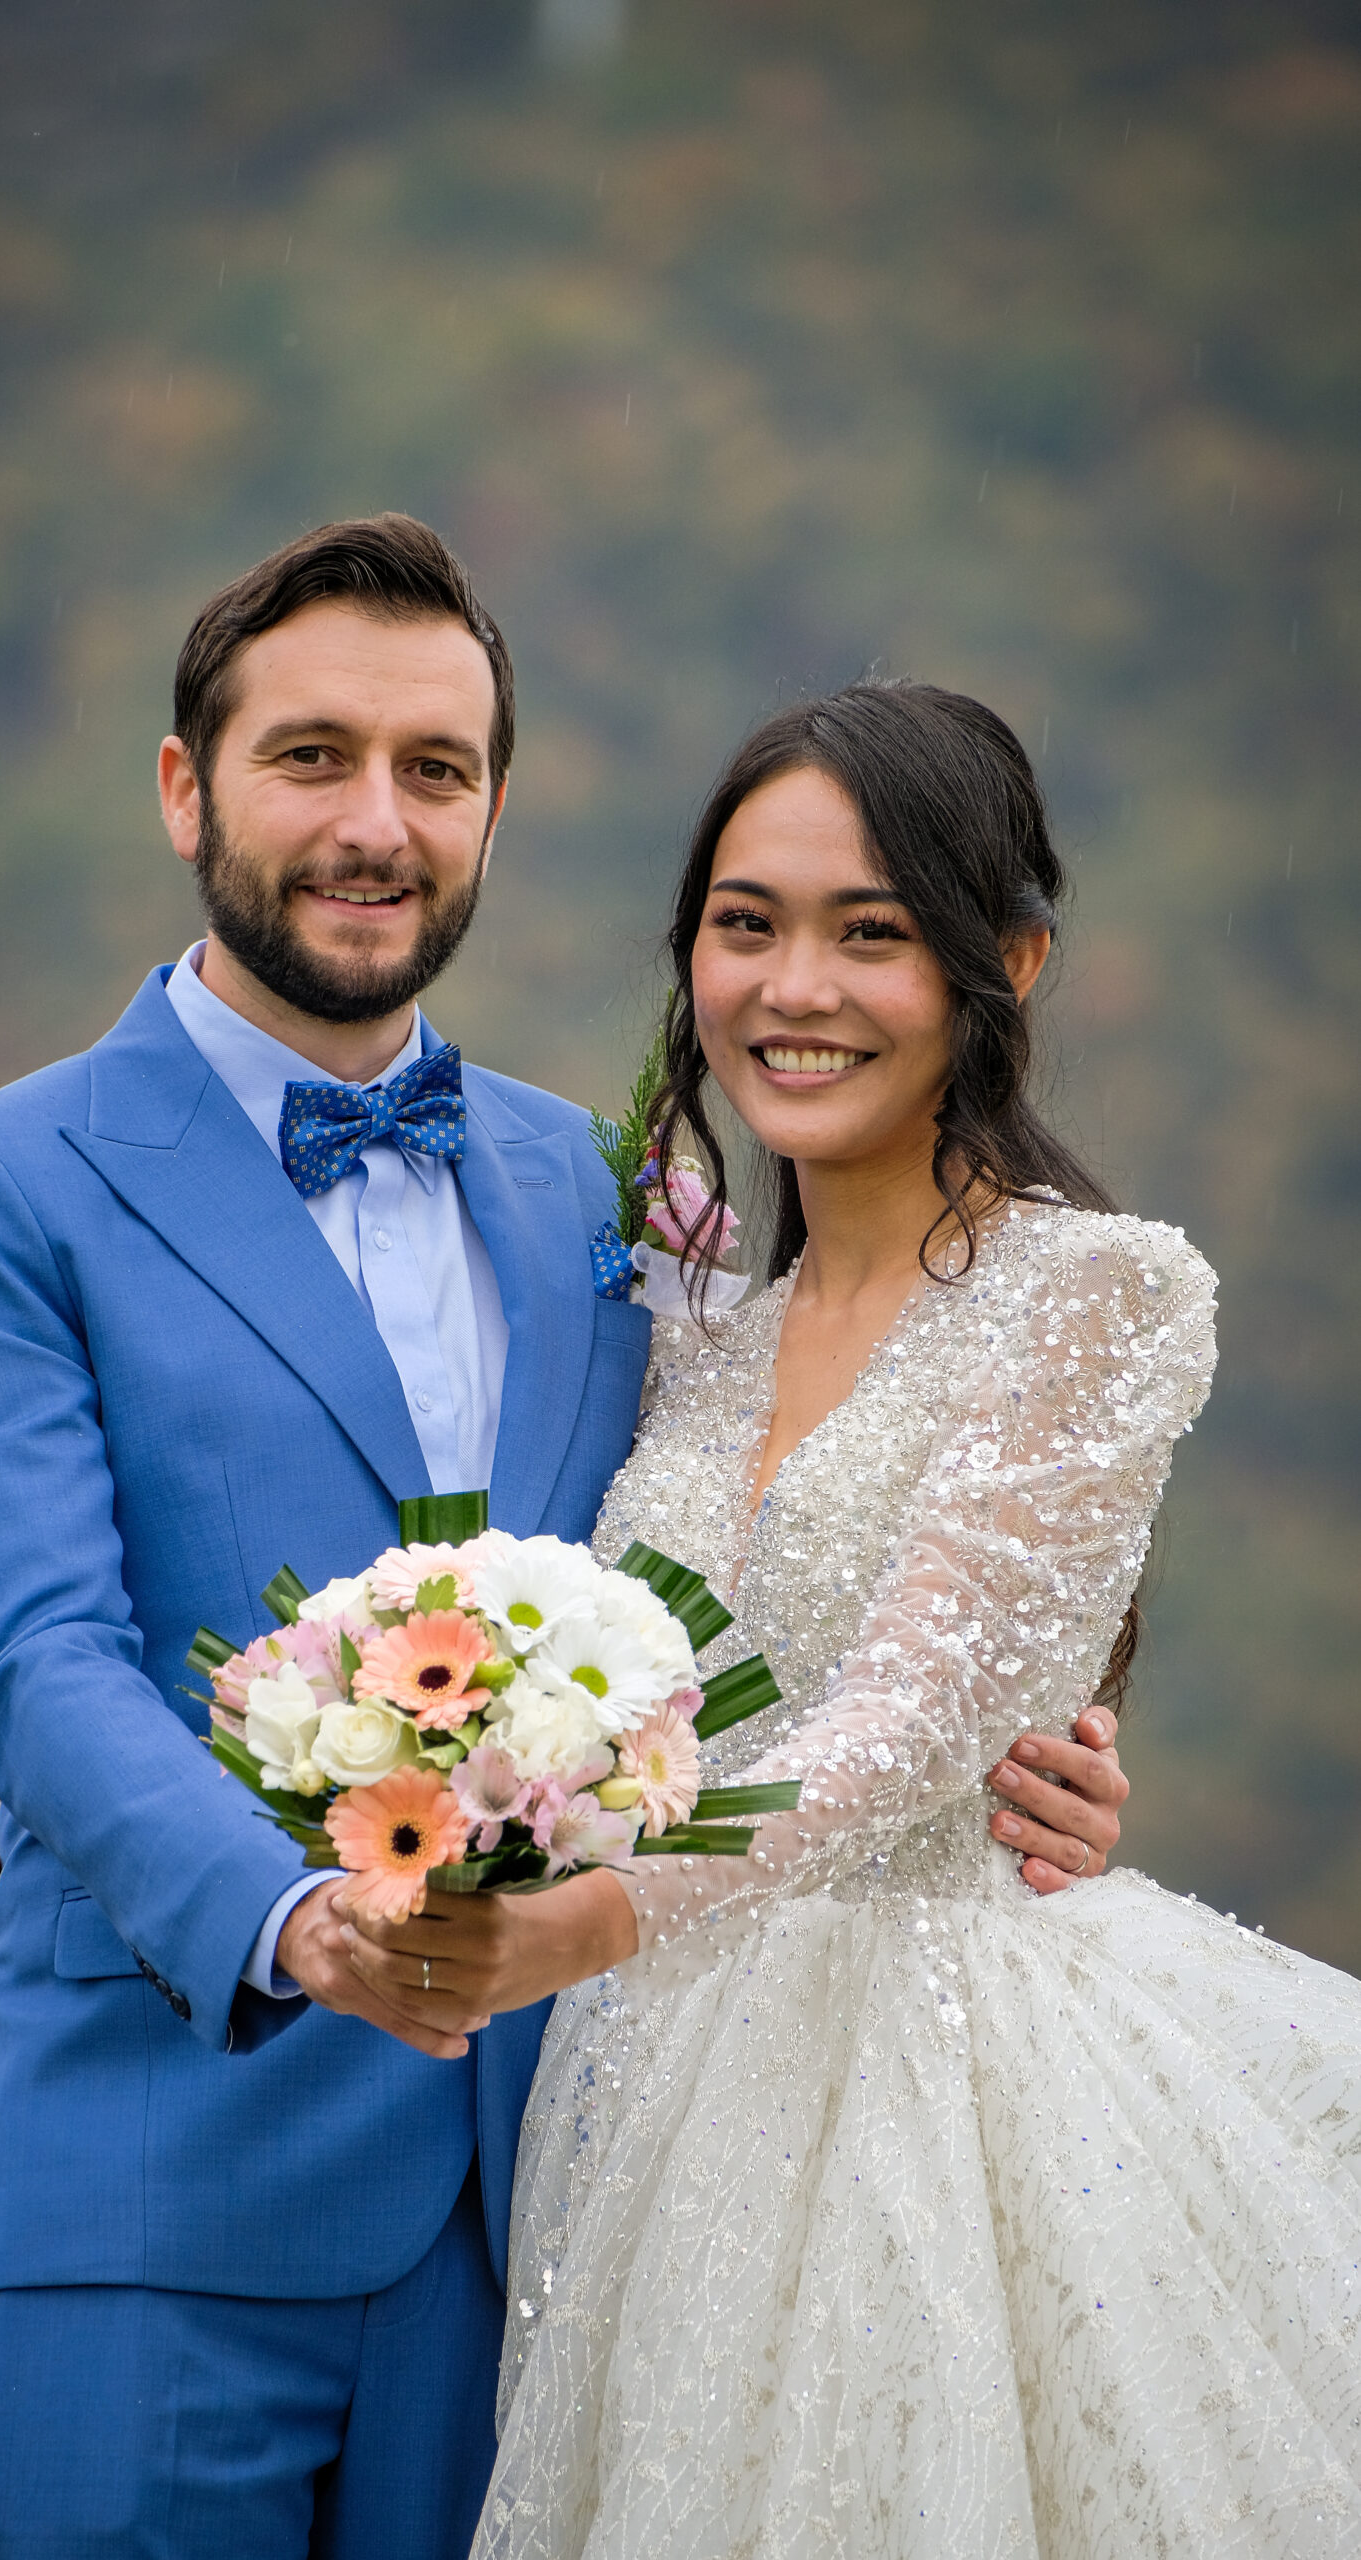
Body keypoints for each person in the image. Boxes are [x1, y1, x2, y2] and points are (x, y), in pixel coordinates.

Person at [0, 517, 1120, 2560]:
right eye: (311, 756)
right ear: (186, 786)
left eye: (433, 771)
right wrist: (267, 1909)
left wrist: (1014, 1754)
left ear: (491, 810)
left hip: (553, 2210)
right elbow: (37, 1658)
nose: (374, 822)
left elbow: (779, 1550)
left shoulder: (605, 1188)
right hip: (148, 2182)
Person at [339, 679, 1361, 2558]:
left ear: (1010, 963)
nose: (793, 988)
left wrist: (599, 1913)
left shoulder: (1098, 1299)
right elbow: (483, 1647)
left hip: (941, 2088)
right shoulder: (685, 1335)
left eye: (871, 932)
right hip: (641, 2086)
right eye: (747, 926)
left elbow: (904, 1724)